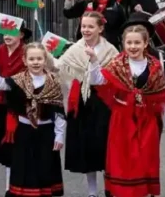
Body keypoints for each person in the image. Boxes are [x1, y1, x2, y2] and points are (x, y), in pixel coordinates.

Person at [87, 22, 165, 197]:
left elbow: (161, 98)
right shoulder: (117, 64)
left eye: (137, 43)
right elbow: (97, 80)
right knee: (123, 162)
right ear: (123, 44)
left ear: (146, 44)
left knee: (145, 161)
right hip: (122, 119)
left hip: (148, 120)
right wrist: (93, 61)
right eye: (129, 43)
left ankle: (144, 193)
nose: (133, 47)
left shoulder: (155, 66)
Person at [0, 42, 66, 197]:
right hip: (23, 132)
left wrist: (60, 134)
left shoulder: (53, 81)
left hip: (46, 133)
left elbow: (59, 111)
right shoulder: (18, 80)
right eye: (32, 59)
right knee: (24, 170)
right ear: (24, 60)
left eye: (39, 59)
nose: (35, 62)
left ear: (45, 60)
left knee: (44, 170)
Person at [57, 11, 119, 197]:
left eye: (90, 26)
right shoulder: (75, 49)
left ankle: (110, 187)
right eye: (83, 26)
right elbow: (60, 67)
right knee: (87, 148)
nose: (86, 30)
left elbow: (113, 77)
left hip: (104, 102)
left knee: (105, 147)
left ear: (100, 28)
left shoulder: (110, 51)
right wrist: (46, 59)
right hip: (81, 103)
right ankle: (92, 191)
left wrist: (94, 61)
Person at [0, 25, 31, 178]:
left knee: (16, 146)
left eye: (12, 32)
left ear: (21, 35)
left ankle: (14, 185)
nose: (7, 35)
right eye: (4, 32)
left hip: (19, 105)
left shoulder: (28, 52)